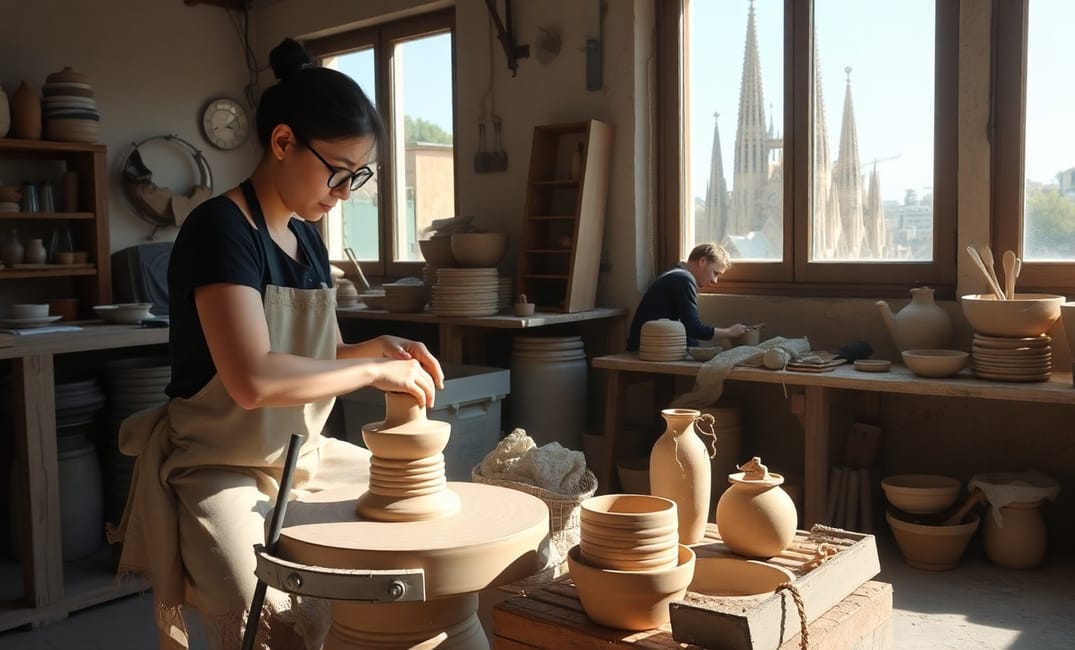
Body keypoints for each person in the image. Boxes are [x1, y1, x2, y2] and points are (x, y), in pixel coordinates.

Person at [107, 38, 444, 650]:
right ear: (283, 143)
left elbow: (319, 361)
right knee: (257, 602)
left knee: (403, 535)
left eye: (356, 177)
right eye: (338, 173)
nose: (345, 193)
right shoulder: (221, 230)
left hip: (300, 456)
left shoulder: (307, 238)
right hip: (221, 462)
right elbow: (254, 379)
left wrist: (377, 350)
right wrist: (370, 375)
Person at [626, 243, 748, 350]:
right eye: (715, 273)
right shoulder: (684, 279)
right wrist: (729, 332)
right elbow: (693, 328)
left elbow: (686, 330)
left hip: (648, 343)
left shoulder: (675, 274)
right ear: (702, 262)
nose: (714, 280)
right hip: (648, 348)